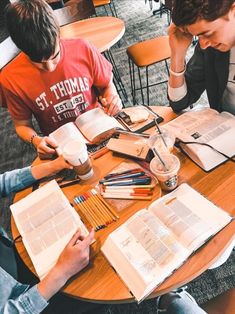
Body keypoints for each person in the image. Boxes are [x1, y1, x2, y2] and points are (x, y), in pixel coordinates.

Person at [1, 0, 122, 159]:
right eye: (39, 62)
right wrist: (36, 140)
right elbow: (22, 125)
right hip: (64, 148)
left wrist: (112, 98)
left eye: (55, 56)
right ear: (20, 48)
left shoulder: (82, 48)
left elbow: (106, 85)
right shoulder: (10, 78)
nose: (50, 67)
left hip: (101, 130)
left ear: (58, 34)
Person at [0, 157, 95, 313]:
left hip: (10, 259)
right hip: (26, 300)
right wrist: (62, 272)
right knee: (93, 287)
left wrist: (52, 166)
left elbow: (2, 183)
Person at [167, 0, 235, 114]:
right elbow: (179, 102)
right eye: (198, 36)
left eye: (208, 34)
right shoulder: (211, 48)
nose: (203, 45)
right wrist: (177, 55)